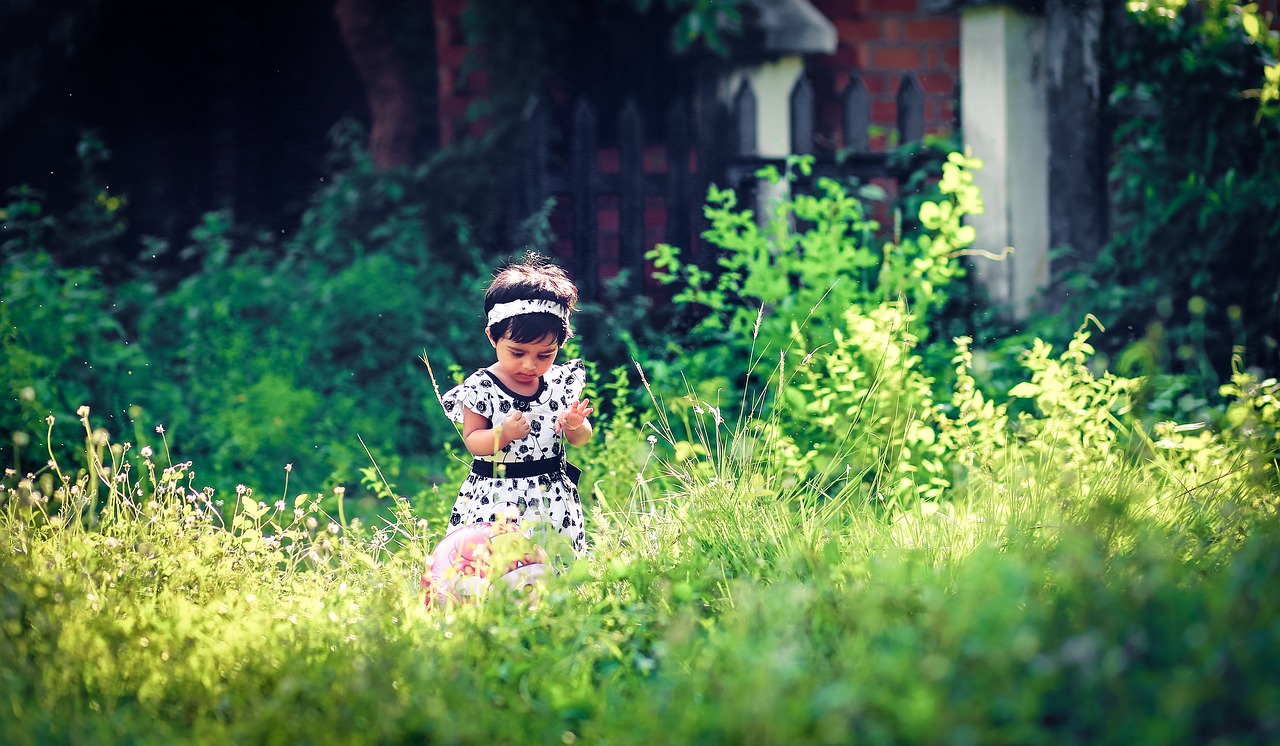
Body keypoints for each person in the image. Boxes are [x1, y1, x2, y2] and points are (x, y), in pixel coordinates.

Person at [440, 255, 594, 553]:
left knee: (551, 564)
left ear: (559, 346)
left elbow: (581, 439)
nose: (529, 364)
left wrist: (575, 425)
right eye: (517, 352)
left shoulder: (560, 384)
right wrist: (504, 434)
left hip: (551, 496)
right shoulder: (482, 387)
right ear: (492, 337)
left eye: (544, 354)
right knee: (499, 565)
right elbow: (473, 441)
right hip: (498, 497)